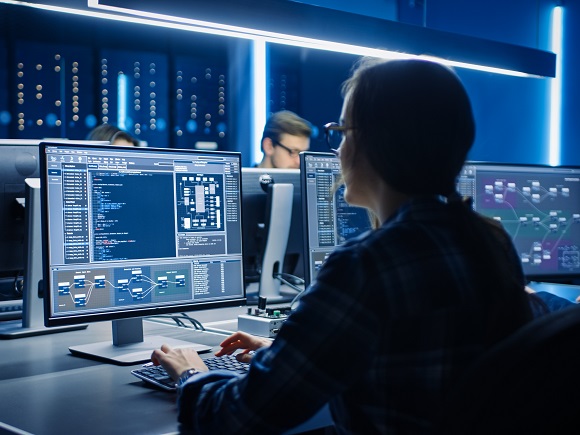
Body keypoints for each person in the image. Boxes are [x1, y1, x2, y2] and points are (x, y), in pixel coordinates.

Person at [151, 58, 537, 433]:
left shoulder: (367, 264)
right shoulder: (490, 240)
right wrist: (284, 351)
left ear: (374, 143)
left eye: (342, 133)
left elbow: (235, 419)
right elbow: (408, 356)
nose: (337, 151)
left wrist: (191, 372)